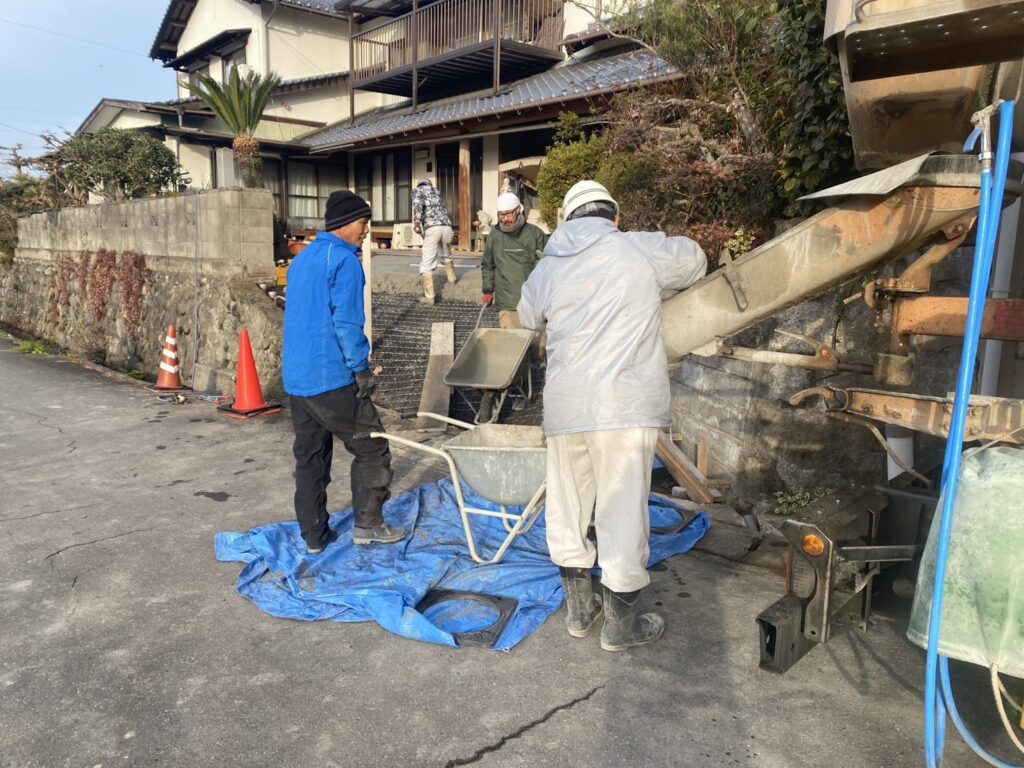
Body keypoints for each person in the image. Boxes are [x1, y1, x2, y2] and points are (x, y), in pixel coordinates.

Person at [517, 180, 707, 651]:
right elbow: (696, 259)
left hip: (566, 406)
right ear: (614, 218)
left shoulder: (548, 267)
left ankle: (580, 613)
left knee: (569, 505)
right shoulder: (637, 249)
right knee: (622, 510)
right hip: (625, 405)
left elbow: (524, 318)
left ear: (567, 221)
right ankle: (621, 627)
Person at [282, 190, 406, 555]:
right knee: (372, 448)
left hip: (298, 379)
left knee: (310, 458)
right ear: (346, 223)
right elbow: (348, 324)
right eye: (364, 223)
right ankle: (368, 525)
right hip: (330, 378)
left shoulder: (303, 260)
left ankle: (314, 536)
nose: (366, 230)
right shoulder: (346, 261)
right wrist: (361, 369)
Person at [481, 191, 548, 330]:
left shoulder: (535, 234)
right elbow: (488, 265)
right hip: (507, 302)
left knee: (537, 345)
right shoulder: (495, 236)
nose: (504, 219)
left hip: (533, 301)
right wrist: (488, 290)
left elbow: (549, 265)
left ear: (518, 210)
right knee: (514, 344)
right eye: (501, 215)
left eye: (508, 214)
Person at [411, 178, 456, 305]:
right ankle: (453, 282)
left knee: (427, 263)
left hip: (432, 228)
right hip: (447, 227)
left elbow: (418, 205)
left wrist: (417, 222)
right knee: (446, 254)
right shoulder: (437, 192)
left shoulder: (419, 190)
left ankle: (429, 297)